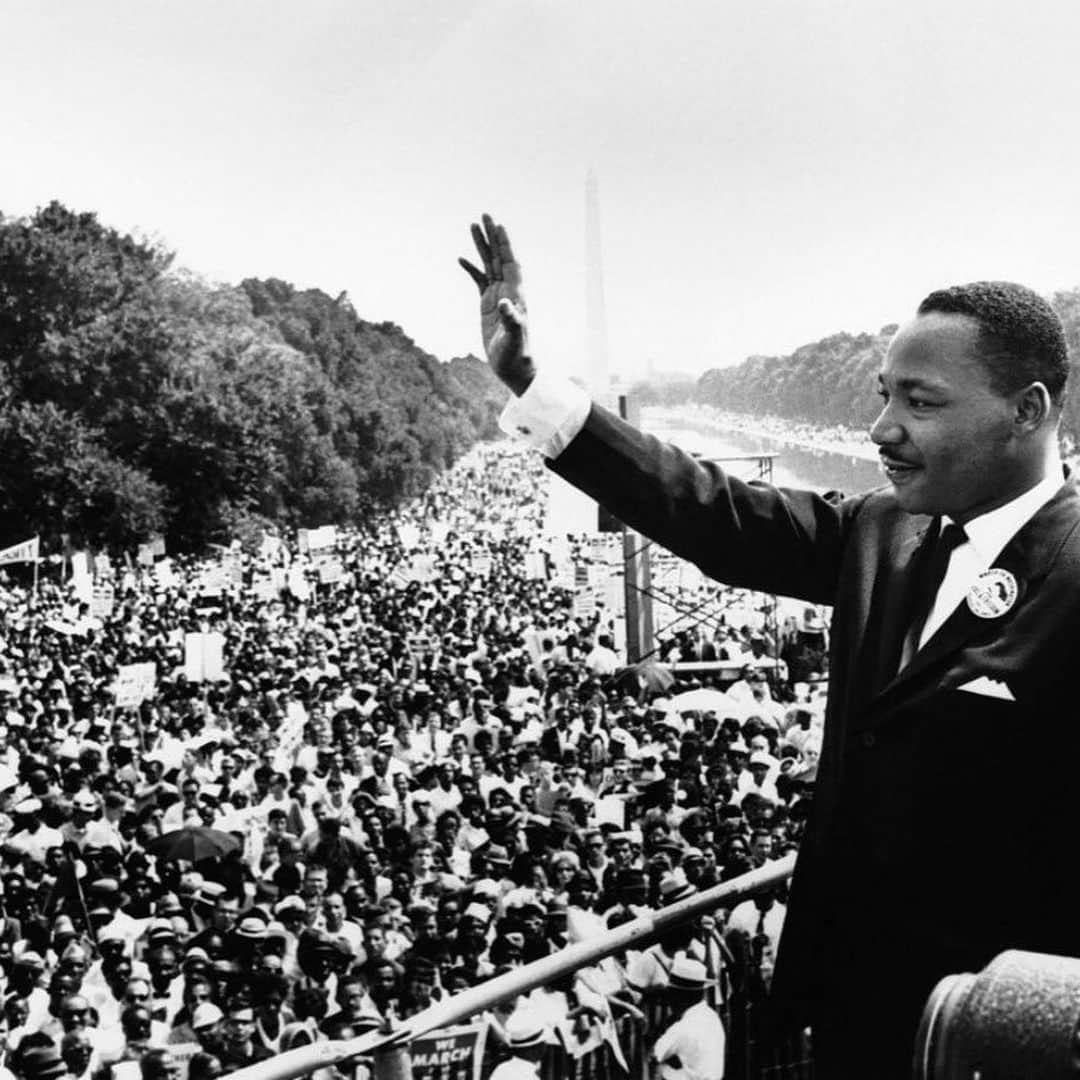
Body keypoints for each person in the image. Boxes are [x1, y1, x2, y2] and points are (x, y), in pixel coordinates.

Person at [461, 214, 1080, 1078]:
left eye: (921, 401)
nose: (881, 429)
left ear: (1028, 411)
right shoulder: (883, 531)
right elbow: (709, 511)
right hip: (846, 1013)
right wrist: (533, 383)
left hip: (995, 1035)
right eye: (882, 394)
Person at [650, 957, 725, 1080]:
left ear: (680, 996)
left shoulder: (682, 1028)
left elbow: (655, 1054)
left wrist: (668, 1060)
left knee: (660, 1068)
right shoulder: (712, 1017)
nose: (670, 1001)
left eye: (671, 995)